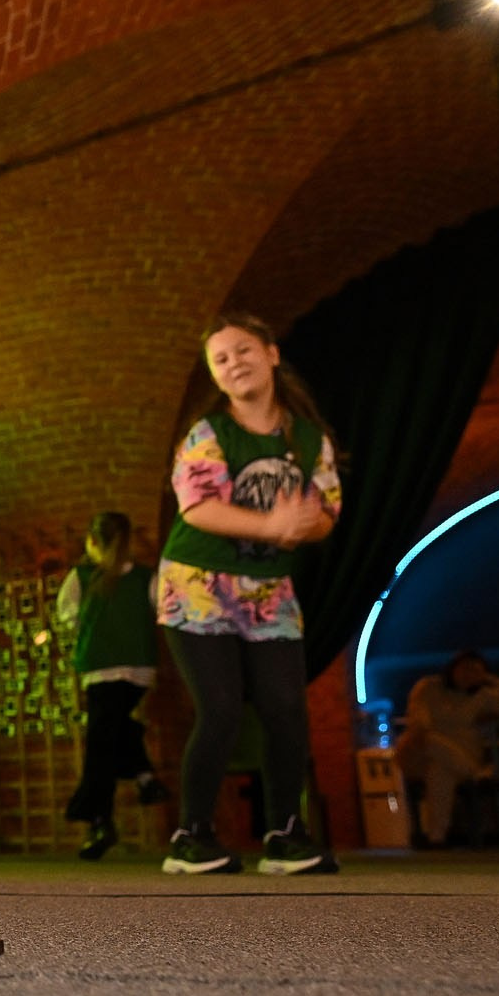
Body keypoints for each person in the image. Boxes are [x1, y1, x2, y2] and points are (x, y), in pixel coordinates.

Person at [157, 313, 342, 875]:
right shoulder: (209, 434)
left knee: (286, 707)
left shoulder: (307, 439)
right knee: (219, 708)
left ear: (271, 355)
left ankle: (284, 834)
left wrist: (303, 526)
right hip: (197, 583)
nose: (234, 363)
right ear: (215, 376)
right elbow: (197, 507)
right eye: (221, 359)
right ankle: (191, 837)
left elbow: (327, 511)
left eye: (243, 351)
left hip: (268, 589)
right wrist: (271, 526)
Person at [54, 511, 167, 859]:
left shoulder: (82, 576)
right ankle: (144, 777)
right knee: (113, 729)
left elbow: (66, 616)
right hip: (139, 670)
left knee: (101, 742)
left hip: (100, 669)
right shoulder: (147, 577)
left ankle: (98, 819)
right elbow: (164, 611)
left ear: (92, 542)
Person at [397, 651, 499, 845]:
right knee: (432, 742)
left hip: (459, 758)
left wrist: (493, 681)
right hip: (421, 752)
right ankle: (476, 774)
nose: (469, 675)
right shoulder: (429, 687)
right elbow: (419, 716)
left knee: (440, 771)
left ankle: (436, 838)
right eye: (465, 669)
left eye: (476, 671)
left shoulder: (484, 696)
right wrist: (421, 731)